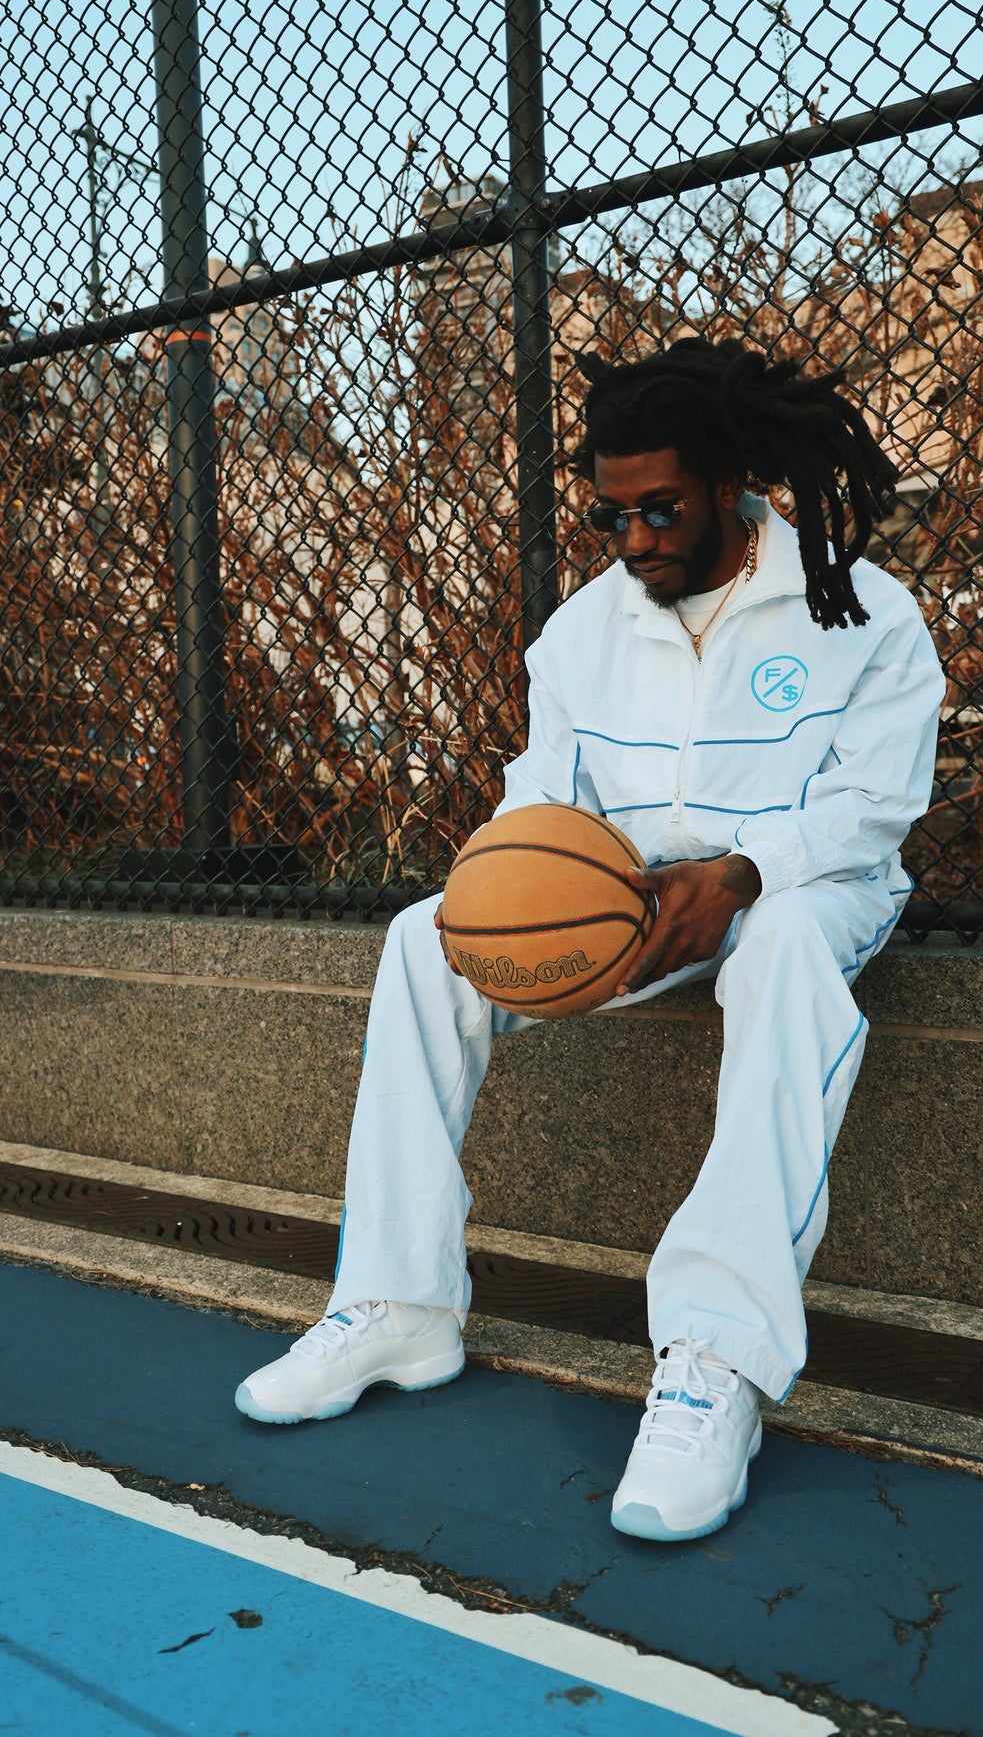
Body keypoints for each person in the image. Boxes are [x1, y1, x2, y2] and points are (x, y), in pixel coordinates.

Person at [235, 337, 945, 1544]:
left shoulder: (859, 607)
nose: (635, 539)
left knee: (782, 948)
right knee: (421, 939)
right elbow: (541, 800)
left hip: (808, 888)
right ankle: (400, 1305)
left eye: (661, 509)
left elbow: (877, 802)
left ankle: (716, 1359)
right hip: (629, 909)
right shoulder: (582, 633)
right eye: (612, 515)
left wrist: (743, 872)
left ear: (730, 487)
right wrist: (496, 887)